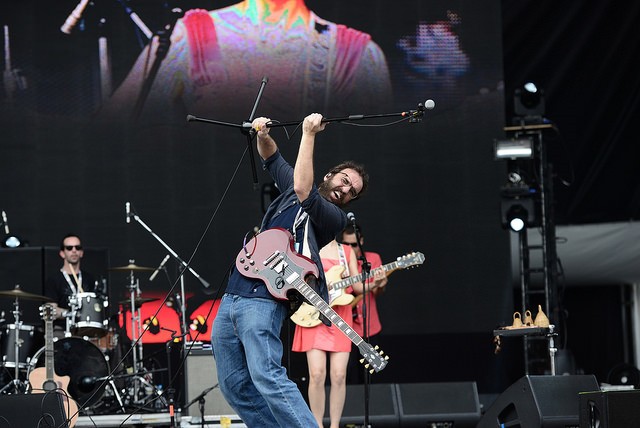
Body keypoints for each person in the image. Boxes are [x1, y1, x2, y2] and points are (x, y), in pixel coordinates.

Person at [210, 113, 368, 427]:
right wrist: (261, 132)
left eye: (352, 192)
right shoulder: (290, 190)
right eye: (344, 180)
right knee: (233, 385)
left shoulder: (332, 217)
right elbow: (271, 156)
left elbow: (302, 189)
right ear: (329, 175)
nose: (345, 190)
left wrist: (309, 133)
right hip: (235, 293)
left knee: (267, 376)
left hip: (266, 300)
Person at [103, 0, 391, 123]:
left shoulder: (357, 54)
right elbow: (111, 131)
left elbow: (376, 164)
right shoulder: (190, 37)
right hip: (206, 217)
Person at [292, 238, 363, 428]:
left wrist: (374, 280)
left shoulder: (346, 251)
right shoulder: (307, 248)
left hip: (340, 315)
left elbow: (357, 287)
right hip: (314, 315)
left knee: (339, 374)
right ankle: (316, 425)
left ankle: (334, 425)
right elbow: (295, 280)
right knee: (316, 374)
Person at [340, 223, 388, 384]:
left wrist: (380, 285)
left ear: (361, 241)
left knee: (371, 374)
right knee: (347, 374)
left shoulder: (373, 259)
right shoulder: (338, 264)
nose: (350, 248)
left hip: (370, 327)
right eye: (345, 244)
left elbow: (378, 293)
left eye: (353, 244)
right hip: (345, 328)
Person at [44, 233, 97, 338]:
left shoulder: (89, 279)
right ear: (62, 253)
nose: (74, 250)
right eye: (69, 248)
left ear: (81, 253)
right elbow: (51, 310)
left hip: (84, 330)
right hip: (62, 330)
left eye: (77, 247)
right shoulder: (54, 279)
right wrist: (72, 313)